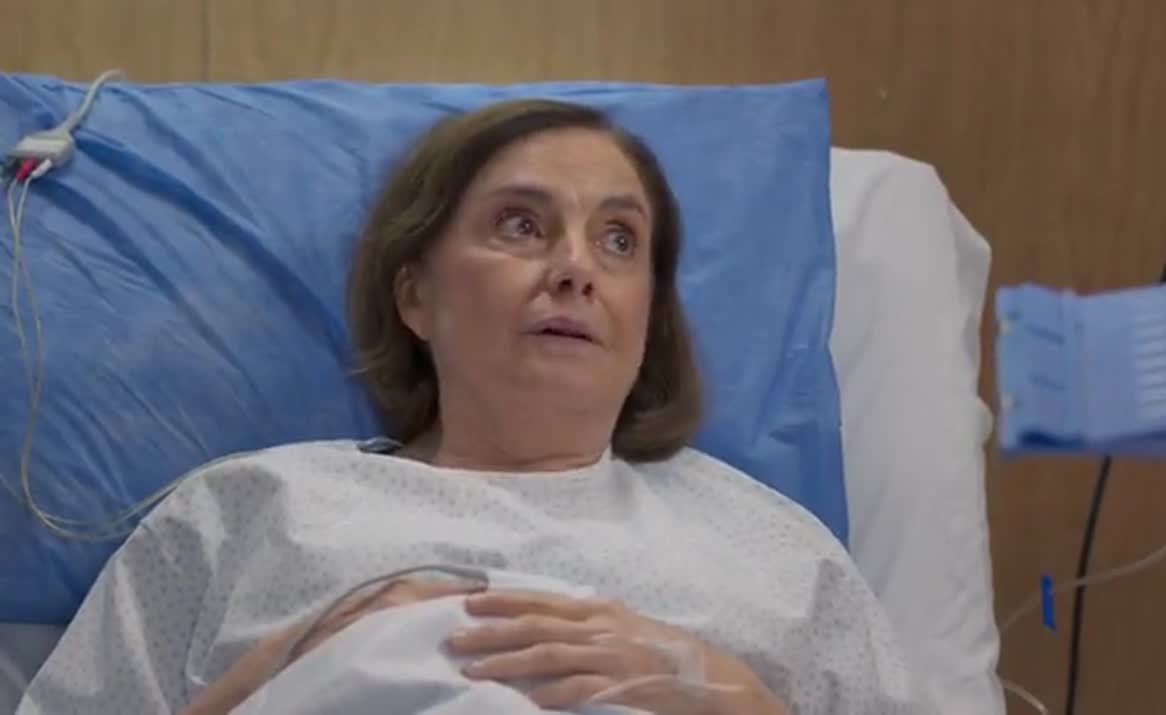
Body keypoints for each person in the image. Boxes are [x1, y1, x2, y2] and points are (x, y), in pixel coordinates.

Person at [18, 100, 927, 714]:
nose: (575, 268)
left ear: (649, 318)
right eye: (521, 225)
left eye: (619, 240)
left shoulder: (776, 554)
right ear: (415, 293)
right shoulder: (242, 516)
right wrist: (279, 674)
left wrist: (732, 697)